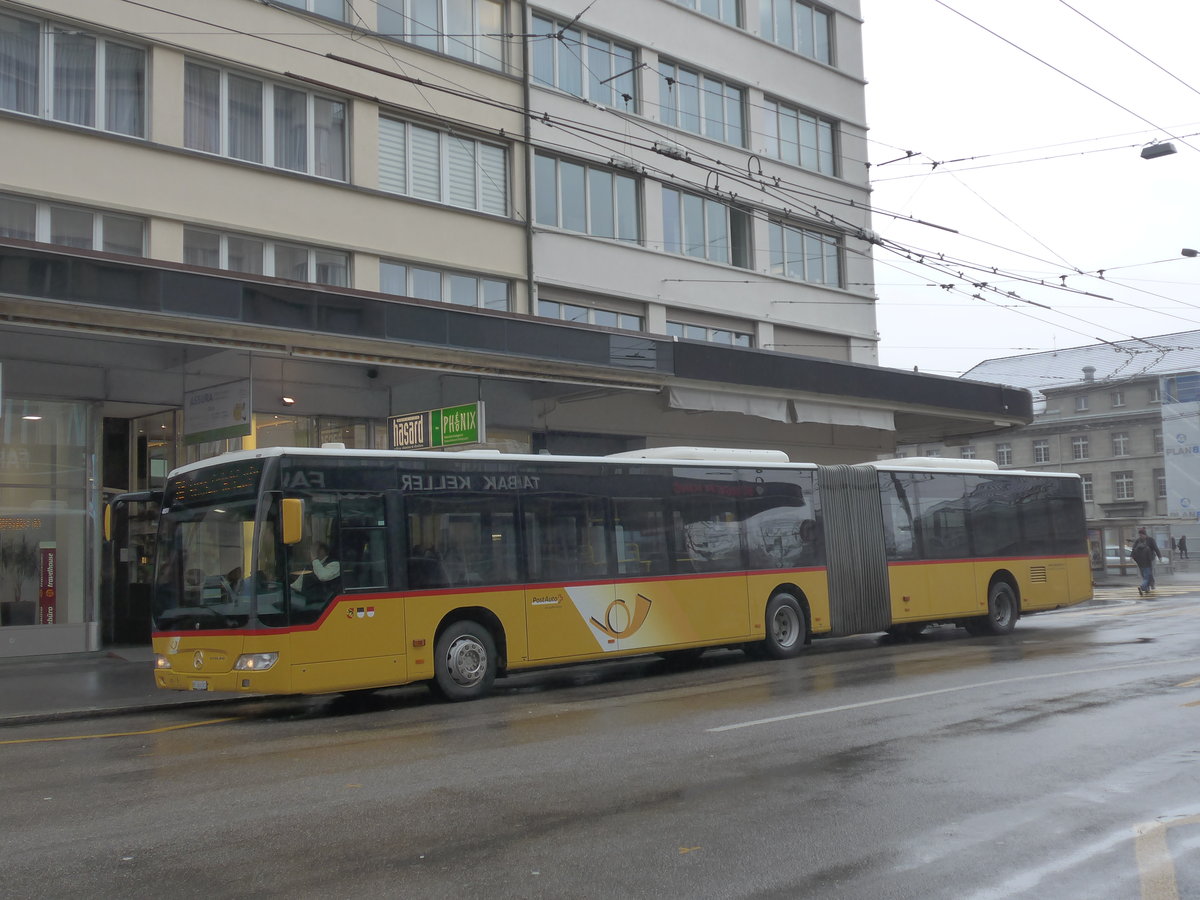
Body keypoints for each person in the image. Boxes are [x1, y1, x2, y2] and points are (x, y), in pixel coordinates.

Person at [1131, 528, 1162, 596]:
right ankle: (1146, 586)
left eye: (1142, 535)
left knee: (1148, 574)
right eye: (1140, 535)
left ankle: (1149, 585)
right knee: (1146, 575)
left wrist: (1159, 556)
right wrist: (1132, 557)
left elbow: (1155, 548)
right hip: (1143, 561)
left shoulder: (1150, 540)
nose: (1141, 536)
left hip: (1149, 559)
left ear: (1145, 534)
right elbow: (1133, 549)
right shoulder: (1138, 541)